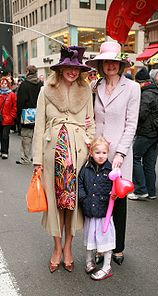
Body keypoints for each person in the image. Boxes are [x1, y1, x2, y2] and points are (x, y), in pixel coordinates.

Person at [32, 46, 95, 273]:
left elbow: (90, 121)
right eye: (68, 67)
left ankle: (69, 247)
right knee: (56, 204)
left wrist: (91, 143)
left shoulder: (86, 90)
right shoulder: (46, 90)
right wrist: (37, 160)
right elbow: (39, 126)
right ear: (60, 68)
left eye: (76, 68)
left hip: (78, 155)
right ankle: (56, 247)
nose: (72, 72)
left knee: (73, 205)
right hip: (53, 156)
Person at [85, 41, 141, 265]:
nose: (111, 66)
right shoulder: (95, 86)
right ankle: (101, 246)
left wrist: (120, 153)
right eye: (106, 62)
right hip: (97, 152)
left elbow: (131, 124)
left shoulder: (133, 88)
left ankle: (118, 248)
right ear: (101, 65)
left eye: (114, 62)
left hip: (119, 154)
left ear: (121, 64)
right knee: (98, 200)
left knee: (118, 201)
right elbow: (91, 117)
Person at [78, 137, 115, 280]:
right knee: (89, 237)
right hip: (89, 210)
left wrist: (115, 193)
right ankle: (89, 261)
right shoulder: (86, 168)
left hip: (104, 213)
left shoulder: (111, 169)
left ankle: (107, 266)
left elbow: (117, 186)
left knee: (106, 238)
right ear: (91, 153)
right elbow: (80, 182)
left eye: (104, 152)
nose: (101, 155)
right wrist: (83, 198)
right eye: (98, 152)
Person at [127, 68, 158, 200]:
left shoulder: (146, 94)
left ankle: (141, 189)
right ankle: (151, 192)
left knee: (134, 157)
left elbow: (141, 114)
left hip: (146, 132)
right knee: (149, 163)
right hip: (155, 133)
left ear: (141, 83)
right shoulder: (156, 91)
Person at [16, 65, 43, 164]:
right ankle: (36, 157)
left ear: (27, 72)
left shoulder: (24, 84)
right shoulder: (41, 84)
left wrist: (19, 116)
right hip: (39, 113)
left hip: (27, 114)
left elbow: (20, 102)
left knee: (26, 137)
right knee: (37, 137)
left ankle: (25, 158)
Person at [0, 77, 17, 159]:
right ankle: (1, 150)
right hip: (0, 117)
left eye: (5, 83)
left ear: (8, 84)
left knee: (5, 136)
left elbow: (14, 106)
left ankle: (4, 152)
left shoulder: (11, 95)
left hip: (7, 119)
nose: (3, 85)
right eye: (2, 83)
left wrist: (12, 116)